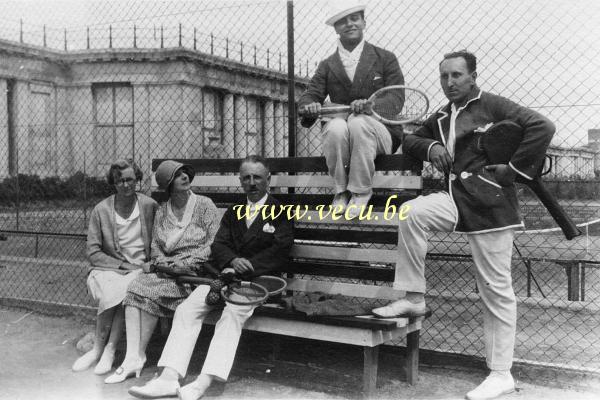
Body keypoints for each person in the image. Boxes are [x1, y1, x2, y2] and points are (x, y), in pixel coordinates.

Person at [371, 50, 555, 400]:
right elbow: (408, 139)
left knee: (495, 291)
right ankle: (413, 297)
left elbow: (542, 126)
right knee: (411, 213)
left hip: (490, 207)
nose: (450, 83)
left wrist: (514, 170)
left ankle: (501, 374)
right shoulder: (442, 115)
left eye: (456, 75)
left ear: (472, 76)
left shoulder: (494, 105)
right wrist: (431, 146)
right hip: (455, 200)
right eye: (444, 76)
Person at [127, 155, 294, 400]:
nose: (252, 183)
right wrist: (231, 262)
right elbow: (218, 244)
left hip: (258, 281)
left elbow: (281, 250)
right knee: (187, 309)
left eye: (257, 177)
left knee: (231, 315)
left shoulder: (280, 210)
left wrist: (246, 267)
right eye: (246, 178)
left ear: (268, 179)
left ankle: (202, 383)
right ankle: (168, 378)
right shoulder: (235, 210)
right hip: (223, 277)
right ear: (240, 181)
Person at [104, 160, 220, 384]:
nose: (185, 177)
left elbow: (214, 243)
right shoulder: (163, 211)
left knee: (146, 292)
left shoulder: (205, 205)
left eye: (185, 173)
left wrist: (187, 262)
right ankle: (133, 357)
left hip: (194, 274)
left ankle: (136, 357)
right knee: (135, 289)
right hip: (167, 271)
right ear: (168, 184)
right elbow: (156, 245)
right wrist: (162, 263)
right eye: (178, 175)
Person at [298, 1, 404, 218]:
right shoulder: (327, 64)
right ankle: (341, 192)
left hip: (381, 134)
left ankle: (360, 191)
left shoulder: (385, 58)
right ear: (335, 28)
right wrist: (309, 106)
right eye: (342, 21)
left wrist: (370, 106)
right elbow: (310, 95)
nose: (349, 24)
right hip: (345, 135)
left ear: (364, 22)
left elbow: (396, 98)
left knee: (357, 122)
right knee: (335, 127)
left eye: (354, 18)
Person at [72, 159, 158, 374]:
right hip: (107, 270)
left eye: (130, 179)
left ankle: (103, 349)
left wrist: (146, 264)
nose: (126, 185)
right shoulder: (101, 210)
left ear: (137, 180)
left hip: (140, 270)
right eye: (120, 181)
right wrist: (122, 265)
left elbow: (159, 241)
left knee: (125, 289)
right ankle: (105, 349)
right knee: (117, 289)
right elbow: (93, 253)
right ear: (113, 182)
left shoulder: (149, 206)